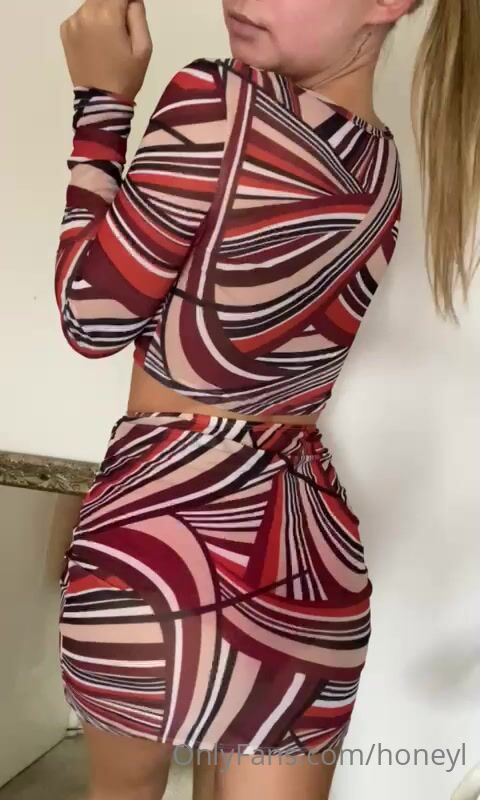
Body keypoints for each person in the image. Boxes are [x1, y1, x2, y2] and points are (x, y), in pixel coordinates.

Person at [55, 1, 479, 799]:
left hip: (156, 540)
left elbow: (90, 316)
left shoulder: (216, 102)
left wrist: (102, 103)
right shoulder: (380, 164)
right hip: (306, 565)